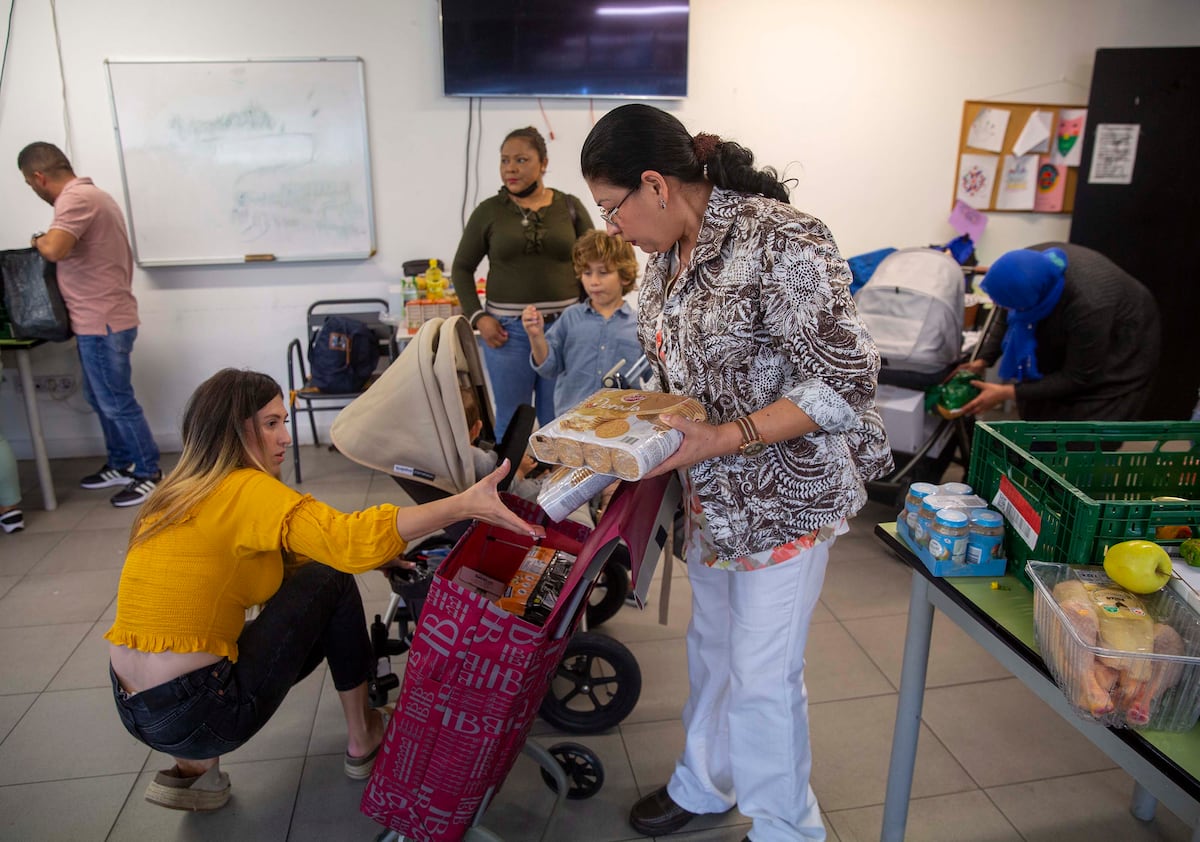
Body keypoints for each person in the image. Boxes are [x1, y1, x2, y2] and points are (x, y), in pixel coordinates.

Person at [580, 104, 891, 842]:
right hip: (711, 502)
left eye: (611, 208)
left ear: (655, 185)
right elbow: (675, 364)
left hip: (787, 497)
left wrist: (724, 436)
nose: (612, 228)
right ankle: (706, 782)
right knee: (713, 652)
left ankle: (789, 827)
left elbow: (847, 379)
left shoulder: (781, 240)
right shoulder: (667, 259)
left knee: (762, 673)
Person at [104, 368, 543, 812]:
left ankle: (195, 772)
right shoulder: (245, 488)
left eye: (283, 422)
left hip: (133, 707)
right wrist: (463, 504)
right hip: (202, 710)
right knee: (331, 578)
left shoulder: (172, 495)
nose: (285, 437)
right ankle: (364, 734)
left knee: (252, 602)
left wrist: (377, 553)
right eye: (272, 423)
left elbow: (280, 556)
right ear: (238, 429)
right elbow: (346, 542)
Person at [18, 142, 162, 507]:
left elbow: (54, 249)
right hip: (99, 319)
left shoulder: (76, 199)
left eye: (28, 183)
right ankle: (121, 462)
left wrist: (36, 239)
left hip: (103, 322)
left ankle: (148, 472)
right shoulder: (92, 195)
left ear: (39, 177)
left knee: (115, 402)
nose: (32, 190)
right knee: (100, 399)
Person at [450, 127, 594, 438]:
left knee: (560, 416)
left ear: (543, 163)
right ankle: (509, 486)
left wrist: (589, 317)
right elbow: (461, 268)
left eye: (520, 159)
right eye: (504, 161)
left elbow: (594, 261)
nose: (510, 168)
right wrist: (479, 318)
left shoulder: (568, 206)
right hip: (507, 333)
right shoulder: (489, 211)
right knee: (512, 420)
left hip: (564, 329)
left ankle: (557, 486)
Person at [960, 243, 1161, 421]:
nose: (1002, 308)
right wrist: (983, 360)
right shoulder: (1025, 267)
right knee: (1037, 413)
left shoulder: (1089, 305)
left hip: (1122, 341)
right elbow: (1007, 313)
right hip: (1075, 318)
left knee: (1083, 433)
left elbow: (1079, 376)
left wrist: (1006, 392)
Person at [524, 229, 643, 415]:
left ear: (625, 275)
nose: (594, 281)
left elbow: (651, 381)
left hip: (621, 423)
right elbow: (548, 368)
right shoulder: (570, 317)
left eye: (603, 272)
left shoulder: (639, 325)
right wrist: (536, 336)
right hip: (571, 422)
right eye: (587, 273)